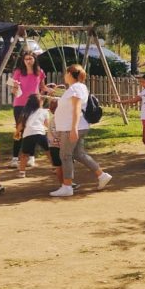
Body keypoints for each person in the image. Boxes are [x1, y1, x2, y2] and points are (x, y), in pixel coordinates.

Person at [48, 64, 112, 198]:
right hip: (74, 127)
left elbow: (77, 109)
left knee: (65, 155)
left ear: (70, 74)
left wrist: (73, 129)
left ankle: (67, 186)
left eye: (66, 73)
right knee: (79, 154)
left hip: (70, 128)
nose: (64, 75)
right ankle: (102, 175)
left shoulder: (76, 88)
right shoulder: (77, 87)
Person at [9, 51, 46, 167]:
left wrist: (49, 91)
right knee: (19, 129)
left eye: (30, 58)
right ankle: (15, 158)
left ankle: (31, 157)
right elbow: (14, 89)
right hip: (19, 104)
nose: (28, 61)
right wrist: (14, 89)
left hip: (34, 104)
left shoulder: (39, 72)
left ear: (34, 59)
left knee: (32, 130)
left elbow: (42, 87)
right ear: (23, 60)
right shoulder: (18, 72)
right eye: (26, 59)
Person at [16, 94, 50, 177]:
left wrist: (16, 133)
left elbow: (20, 125)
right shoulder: (44, 111)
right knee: (48, 151)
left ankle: (22, 172)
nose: (42, 101)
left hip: (28, 134)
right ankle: (56, 167)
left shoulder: (26, 112)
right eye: (41, 99)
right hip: (40, 133)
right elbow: (47, 125)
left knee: (24, 154)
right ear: (39, 102)